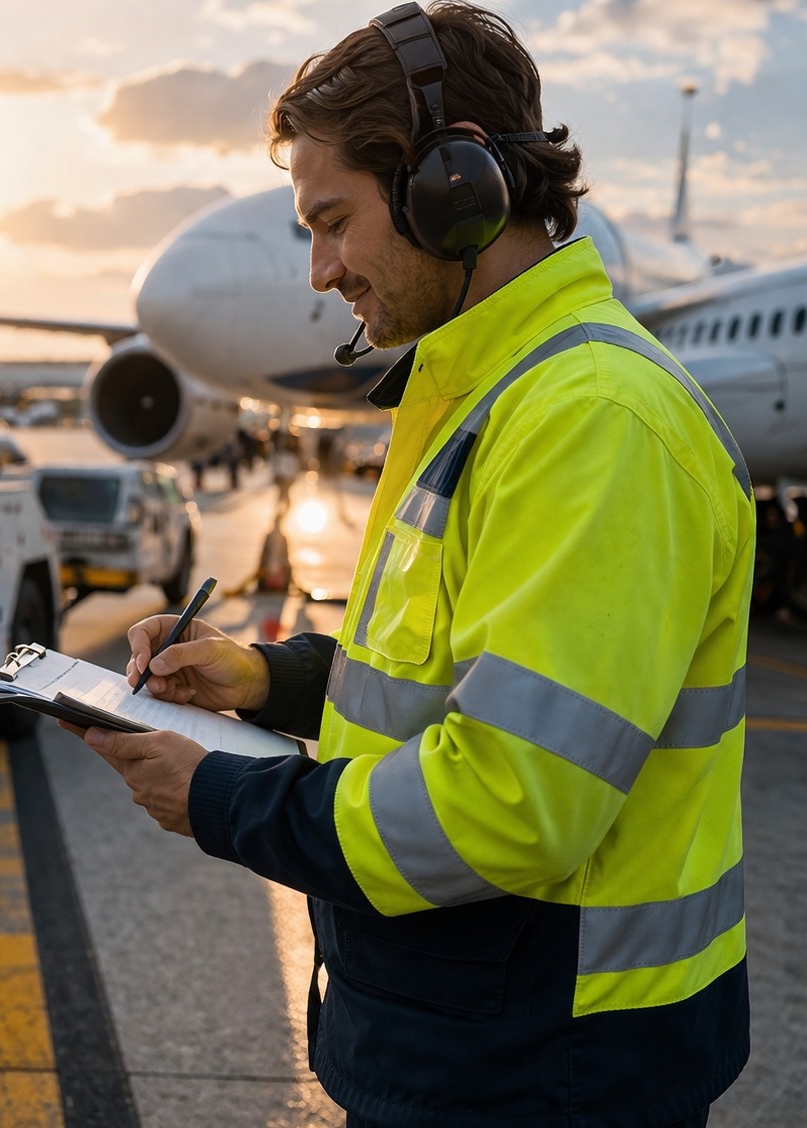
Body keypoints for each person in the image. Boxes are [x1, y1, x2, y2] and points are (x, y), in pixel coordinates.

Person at [63, 4, 753, 1126]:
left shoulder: (591, 420)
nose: (323, 269)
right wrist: (262, 679)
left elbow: (510, 802)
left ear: (454, 187)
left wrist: (223, 798)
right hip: (471, 1038)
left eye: (333, 222)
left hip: (548, 1070)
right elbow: (447, 677)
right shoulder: (484, 399)